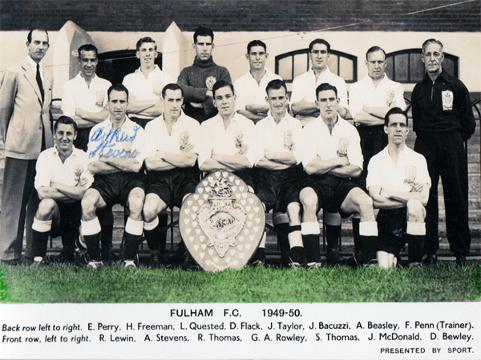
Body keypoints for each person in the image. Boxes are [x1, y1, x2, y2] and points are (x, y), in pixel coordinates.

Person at [411, 39, 475, 266]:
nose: (432, 59)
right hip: (426, 145)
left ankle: (460, 251)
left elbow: (469, 123)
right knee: (426, 197)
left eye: (436, 54)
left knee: (456, 195)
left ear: (443, 57)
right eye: (427, 54)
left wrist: (454, 140)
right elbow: (417, 123)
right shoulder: (418, 89)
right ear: (422, 58)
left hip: (451, 144)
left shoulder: (456, 86)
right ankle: (430, 250)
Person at [299, 83, 378, 267]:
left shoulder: (349, 130)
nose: (328, 104)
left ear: (338, 102)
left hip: (342, 184)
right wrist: (338, 160)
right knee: (309, 201)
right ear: (317, 103)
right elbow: (310, 168)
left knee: (366, 203)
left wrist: (323, 164)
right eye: (323, 100)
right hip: (315, 183)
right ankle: (313, 262)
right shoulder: (309, 129)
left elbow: (357, 168)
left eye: (331, 100)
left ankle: (366, 260)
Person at [0, 29, 53, 264]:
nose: (40, 47)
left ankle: (33, 252)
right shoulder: (14, 72)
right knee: (13, 202)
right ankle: (8, 253)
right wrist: (9, 139)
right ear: (27, 44)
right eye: (37, 42)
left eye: (45, 43)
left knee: (36, 199)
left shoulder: (48, 76)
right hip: (19, 146)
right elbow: (3, 109)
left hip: (42, 149)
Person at [80, 84, 146, 268]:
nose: (118, 106)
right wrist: (121, 162)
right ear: (107, 104)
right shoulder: (97, 130)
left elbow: (135, 166)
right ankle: (95, 260)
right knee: (87, 203)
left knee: (136, 203)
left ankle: (130, 260)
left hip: (131, 182)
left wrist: (108, 158)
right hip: (104, 182)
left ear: (127, 104)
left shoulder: (137, 131)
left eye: (122, 101)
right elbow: (92, 165)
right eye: (114, 101)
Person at [142, 84, 201, 267]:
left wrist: (163, 154)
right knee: (148, 210)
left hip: (186, 179)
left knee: (191, 208)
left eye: (178, 100)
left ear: (183, 101)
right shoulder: (151, 127)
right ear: (163, 100)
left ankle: (186, 251)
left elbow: (190, 162)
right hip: (159, 180)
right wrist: (179, 157)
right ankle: (155, 253)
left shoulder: (193, 125)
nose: (174, 105)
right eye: (170, 100)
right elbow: (150, 164)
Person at [367, 108, 431, 268]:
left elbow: (424, 198)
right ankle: (395, 259)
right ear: (385, 128)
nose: (398, 129)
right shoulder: (376, 160)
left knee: (415, 206)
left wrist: (391, 193)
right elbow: (376, 198)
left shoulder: (418, 159)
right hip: (386, 217)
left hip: (410, 216)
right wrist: (408, 196)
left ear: (407, 130)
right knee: (384, 267)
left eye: (402, 125)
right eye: (393, 124)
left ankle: (415, 262)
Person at [255, 80, 304, 266]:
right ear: (267, 100)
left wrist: (271, 155)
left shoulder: (296, 125)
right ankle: (258, 258)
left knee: (293, 209)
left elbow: (296, 158)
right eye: (273, 98)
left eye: (281, 98)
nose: (278, 102)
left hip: (290, 179)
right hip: (266, 178)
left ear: (287, 98)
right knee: (258, 207)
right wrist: (283, 161)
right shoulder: (259, 127)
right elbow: (258, 159)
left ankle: (296, 258)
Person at [31, 116, 93, 264]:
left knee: (88, 206)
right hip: (55, 215)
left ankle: (77, 250)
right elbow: (42, 192)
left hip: (76, 215)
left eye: (69, 133)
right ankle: (38, 260)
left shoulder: (84, 157)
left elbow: (83, 194)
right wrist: (73, 191)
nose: (64, 138)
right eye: (60, 133)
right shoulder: (45, 156)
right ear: (54, 134)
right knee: (46, 204)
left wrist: (56, 185)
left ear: (75, 136)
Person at [349, 46, 406, 186]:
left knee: (389, 178)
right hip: (363, 137)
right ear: (366, 63)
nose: (376, 66)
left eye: (380, 62)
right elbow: (358, 117)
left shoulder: (396, 86)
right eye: (373, 62)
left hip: (387, 137)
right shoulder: (356, 87)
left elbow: (398, 113)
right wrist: (386, 116)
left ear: (385, 63)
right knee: (364, 179)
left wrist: (368, 109)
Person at [198, 80, 258, 189]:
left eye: (227, 96)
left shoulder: (247, 125)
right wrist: (235, 162)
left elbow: (248, 162)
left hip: (242, 178)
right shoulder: (206, 126)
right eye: (219, 98)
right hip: (213, 179)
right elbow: (203, 164)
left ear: (234, 98)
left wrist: (217, 157)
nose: (224, 101)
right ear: (214, 102)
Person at [62, 44, 111, 151]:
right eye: (85, 60)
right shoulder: (69, 86)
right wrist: (98, 117)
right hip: (78, 139)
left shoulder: (106, 85)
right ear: (79, 61)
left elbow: (108, 118)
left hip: (101, 138)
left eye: (92, 60)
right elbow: (70, 121)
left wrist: (83, 114)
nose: (89, 64)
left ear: (97, 61)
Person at [177, 26, 232, 122]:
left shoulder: (222, 72)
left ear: (213, 46)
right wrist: (207, 93)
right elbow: (180, 90)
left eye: (208, 44)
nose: (205, 48)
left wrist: (198, 104)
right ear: (194, 46)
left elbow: (226, 98)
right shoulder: (186, 72)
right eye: (201, 44)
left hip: (216, 123)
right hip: (190, 123)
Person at [291, 39, 350, 126]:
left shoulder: (338, 81)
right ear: (310, 55)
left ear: (328, 55)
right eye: (315, 52)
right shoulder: (299, 80)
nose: (319, 56)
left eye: (323, 52)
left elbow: (343, 112)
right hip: (303, 128)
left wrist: (307, 106)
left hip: (328, 129)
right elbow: (294, 108)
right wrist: (323, 106)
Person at [122, 36, 173, 129]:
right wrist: (156, 102)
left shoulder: (166, 77)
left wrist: (136, 107)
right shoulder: (128, 79)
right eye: (144, 50)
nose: (147, 54)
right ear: (138, 54)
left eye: (150, 50)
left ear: (156, 54)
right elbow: (127, 107)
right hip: (134, 125)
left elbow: (165, 108)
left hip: (159, 125)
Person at [234, 40, 281, 122]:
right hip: (247, 129)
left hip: (271, 129)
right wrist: (267, 116)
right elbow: (239, 112)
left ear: (266, 56)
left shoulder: (276, 79)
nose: (258, 58)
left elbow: (281, 108)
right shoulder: (239, 83)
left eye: (261, 53)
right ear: (247, 56)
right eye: (254, 54)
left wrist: (251, 108)